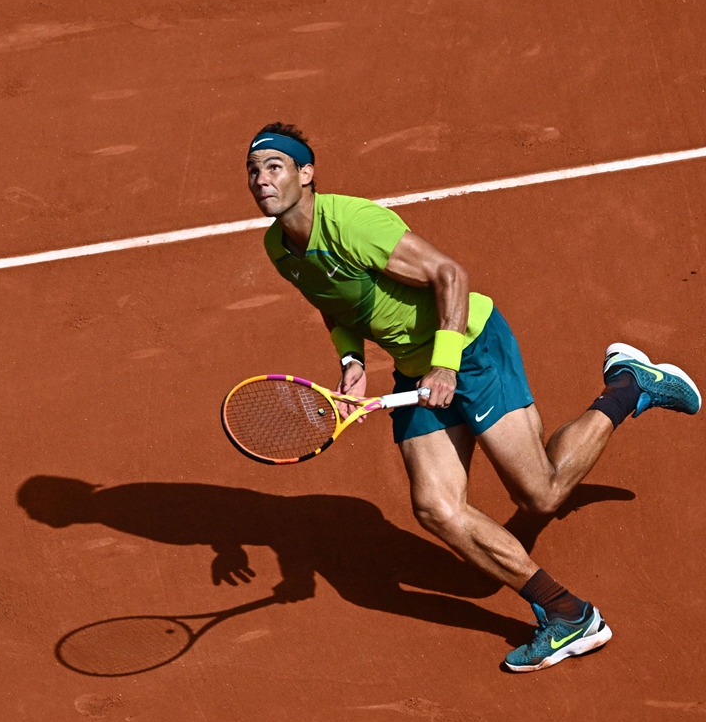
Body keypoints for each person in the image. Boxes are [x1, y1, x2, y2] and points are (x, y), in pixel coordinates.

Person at [245, 122, 701, 672]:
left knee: (542, 494)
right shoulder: (280, 247)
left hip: (472, 348)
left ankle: (630, 385)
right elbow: (331, 301)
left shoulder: (354, 223)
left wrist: (446, 361)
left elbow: (449, 274)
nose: (262, 179)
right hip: (418, 372)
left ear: (306, 174)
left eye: (275, 167)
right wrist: (352, 360)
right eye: (254, 170)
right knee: (436, 508)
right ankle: (570, 616)